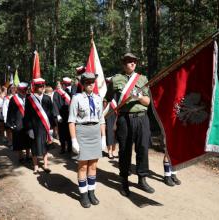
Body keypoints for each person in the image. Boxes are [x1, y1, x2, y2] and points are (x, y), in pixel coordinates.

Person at [105, 52, 155, 196]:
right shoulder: (115, 80)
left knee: (143, 148)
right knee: (125, 150)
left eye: (134, 61)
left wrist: (139, 97)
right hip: (124, 119)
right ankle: (124, 180)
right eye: (129, 61)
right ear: (123, 63)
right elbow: (108, 99)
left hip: (141, 118)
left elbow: (147, 102)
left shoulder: (142, 79)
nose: (132, 63)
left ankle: (142, 178)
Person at [69, 72, 106, 208]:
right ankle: (83, 195)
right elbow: (72, 121)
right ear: (83, 84)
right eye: (87, 82)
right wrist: (74, 140)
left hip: (95, 132)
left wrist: (104, 138)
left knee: (93, 165)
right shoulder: (76, 98)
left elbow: (101, 119)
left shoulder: (98, 98)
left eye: (92, 82)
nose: (90, 84)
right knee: (83, 166)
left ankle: (91, 192)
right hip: (82, 132)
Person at [24, 78, 56, 174]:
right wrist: (29, 129)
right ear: (35, 87)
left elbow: (50, 113)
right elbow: (27, 115)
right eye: (39, 86)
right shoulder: (30, 99)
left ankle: (45, 165)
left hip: (45, 126)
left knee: (45, 146)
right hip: (34, 127)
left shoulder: (47, 98)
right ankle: (36, 166)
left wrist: (51, 128)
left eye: (42, 86)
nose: (41, 88)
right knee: (34, 146)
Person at [6, 82, 32, 162]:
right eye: (22, 90)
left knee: (28, 139)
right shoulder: (13, 99)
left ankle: (28, 155)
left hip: (28, 122)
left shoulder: (29, 97)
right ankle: (20, 157)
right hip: (18, 122)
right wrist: (11, 123)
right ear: (18, 90)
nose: (23, 92)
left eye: (25, 90)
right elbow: (10, 112)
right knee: (18, 140)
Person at [53, 77, 76, 154]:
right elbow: (55, 104)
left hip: (70, 115)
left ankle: (70, 147)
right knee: (62, 132)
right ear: (63, 85)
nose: (67, 86)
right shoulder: (57, 93)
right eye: (66, 84)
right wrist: (58, 115)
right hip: (61, 116)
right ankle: (63, 148)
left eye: (68, 84)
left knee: (70, 131)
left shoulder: (71, 92)